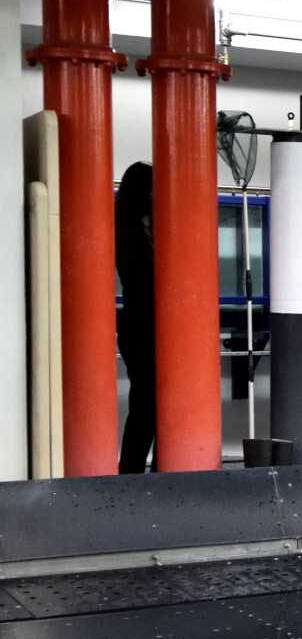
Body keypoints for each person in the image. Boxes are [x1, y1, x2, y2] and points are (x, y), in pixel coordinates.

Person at [113, 162, 156, 474]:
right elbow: (147, 280)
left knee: (147, 404)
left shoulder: (141, 232)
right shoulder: (130, 235)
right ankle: (130, 471)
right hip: (141, 328)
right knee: (145, 406)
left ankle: (133, 470)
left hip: (141, 326)